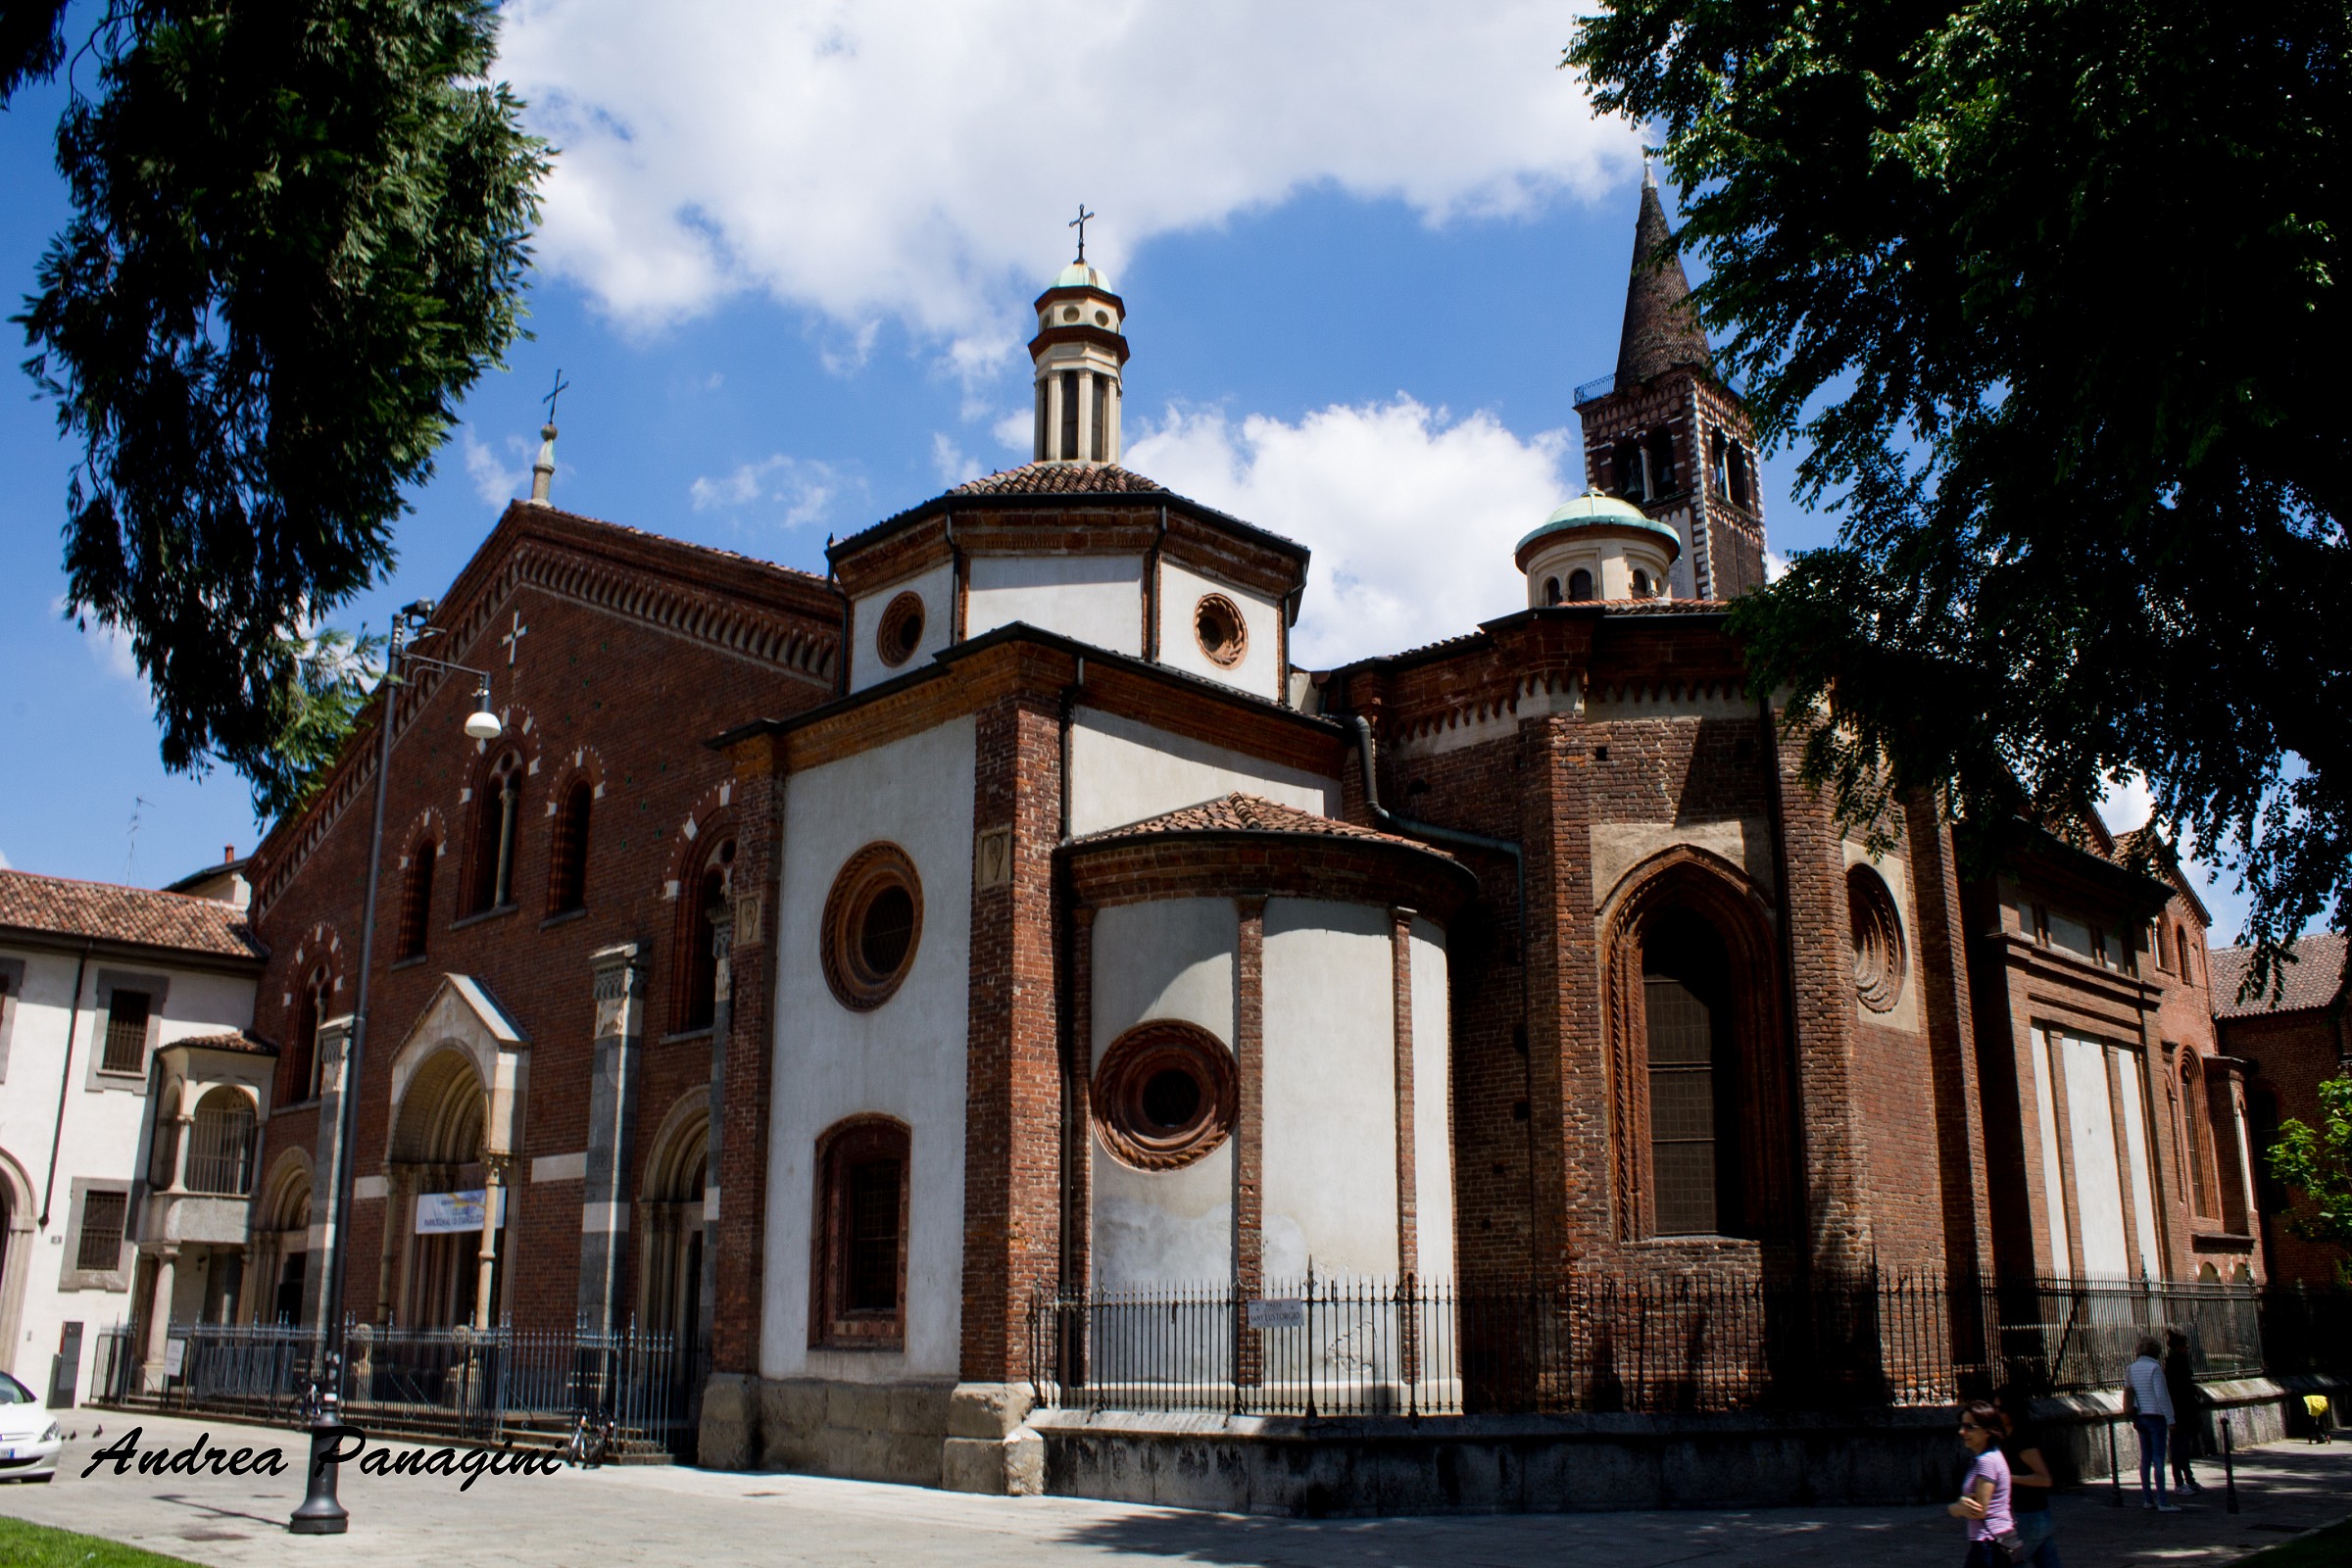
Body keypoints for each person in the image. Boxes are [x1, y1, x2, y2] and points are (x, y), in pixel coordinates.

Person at [1989, 1387, 2062, 1567]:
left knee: (2009, 1563)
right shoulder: (2004, 1436)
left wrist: (2009, 1478)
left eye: (2002, 1409)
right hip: (2031, 1516)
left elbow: (2045, 1479)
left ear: (2012, 1410)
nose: (1997, 1413)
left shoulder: (2022, 1439)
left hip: (2031, 1517)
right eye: (1995, 1408)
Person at [1949, 1399, 2018, 1566]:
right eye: (1962, 1425)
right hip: (1995, 1539)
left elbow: (1979, 1509)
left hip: (1988, 1542)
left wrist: (1955, 1507)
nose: (1962, 1432)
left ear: (1987, 1431)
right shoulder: (1991, 1456)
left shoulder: (1986, 1461)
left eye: (1969, 1427)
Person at [2124, 1336, 2180, 1511]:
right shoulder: (2155, 1369)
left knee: (2145, 1459)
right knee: (2158, 1460)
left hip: (2141, 1416)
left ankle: (2148, 1499)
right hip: (2156, 1417)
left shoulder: (2131, 1368)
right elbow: (2162, 1396)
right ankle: (2163, 1501)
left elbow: (2129, 1393)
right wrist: (2171, 1419)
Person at [2164, 1329, 2203, 1494]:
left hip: (2178, 1409)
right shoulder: (2178, 1361)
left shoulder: (2172, 1361)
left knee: (2181, 1446)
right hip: (2182, 1410)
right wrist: (2194, 1391)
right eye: (2186, 1346)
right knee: (2181, 1447)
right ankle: (2182, 1481)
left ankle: (2187, 1479)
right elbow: (2182, 1386)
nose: (2188, 1349)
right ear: (2180, 1347)